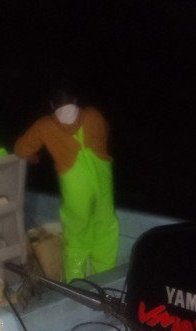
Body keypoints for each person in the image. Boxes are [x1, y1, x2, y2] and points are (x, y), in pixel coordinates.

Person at [14, 81, 119, 282]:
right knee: (105, 231)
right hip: (103, 184)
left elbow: (21, 149)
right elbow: (106, 131)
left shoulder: (45, 125)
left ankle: (78, 287)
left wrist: (33, 157)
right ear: (75, 100)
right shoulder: (94, 115)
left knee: (77, 238)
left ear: (53, 105)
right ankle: (106, 282)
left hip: (75, 188)